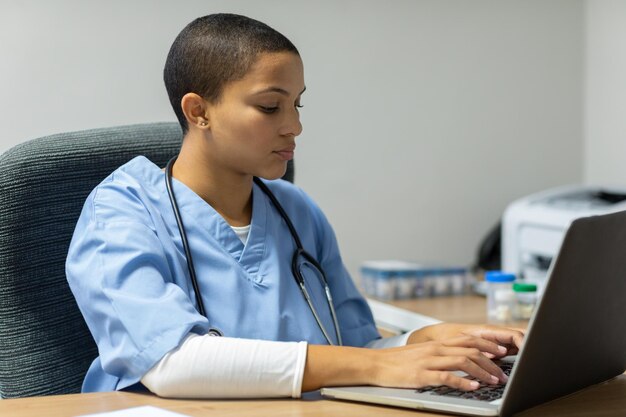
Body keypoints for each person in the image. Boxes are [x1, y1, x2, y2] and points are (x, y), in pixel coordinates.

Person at [66, 13, 524, 399]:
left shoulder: (295, 209)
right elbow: (171, 364)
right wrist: (379, 365)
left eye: (298, 105)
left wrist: (428, 342)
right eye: (270, 107)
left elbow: (353, 351)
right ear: (198, 111)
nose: (295, 127)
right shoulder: (121, 212)